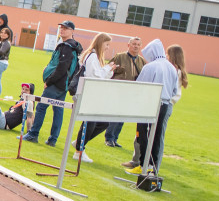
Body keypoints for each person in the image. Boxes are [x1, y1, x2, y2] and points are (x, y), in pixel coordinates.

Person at [21, 20, 83, 147]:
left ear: (72, 31)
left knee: (42, 107)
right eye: (61, 28)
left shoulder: (67, 46)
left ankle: (33, 134)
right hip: (64, 84)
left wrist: (49, 81)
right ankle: (52, 139)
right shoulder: (72, 46)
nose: (62, 30)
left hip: (57, 84)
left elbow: (61, 67)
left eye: (65, 28)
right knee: (58, 110)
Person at [125, 39, 180, 175]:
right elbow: (174, 90)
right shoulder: (171, 68)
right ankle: (152, 167)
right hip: (165, 104)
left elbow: (140, 85)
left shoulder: (151, 67)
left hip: (150, 103)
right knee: (156, 135)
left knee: (143, 134)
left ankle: (143, 164)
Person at [70, 33, 117, 163]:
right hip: (87, 93)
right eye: (107, 44)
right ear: (101, 43)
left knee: (102, 122)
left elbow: (99, 76)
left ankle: (79, 144)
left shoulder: (94, 57)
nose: (108, 47)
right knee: (90, 122)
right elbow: (94, 76)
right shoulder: (92, 56)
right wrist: (107, 68)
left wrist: (109, 70)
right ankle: (79, 150)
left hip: (93, 94)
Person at [103, 36, 145, 148]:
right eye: (134, 44)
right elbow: (108, 69)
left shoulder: (142, 61)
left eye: (138, 44)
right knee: (115, 114)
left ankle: (115, 138)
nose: (136, 46)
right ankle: (109, 138)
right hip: (118, 91)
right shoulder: (119, 57)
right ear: (128, 45)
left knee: (122, 117)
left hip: (131, 93)